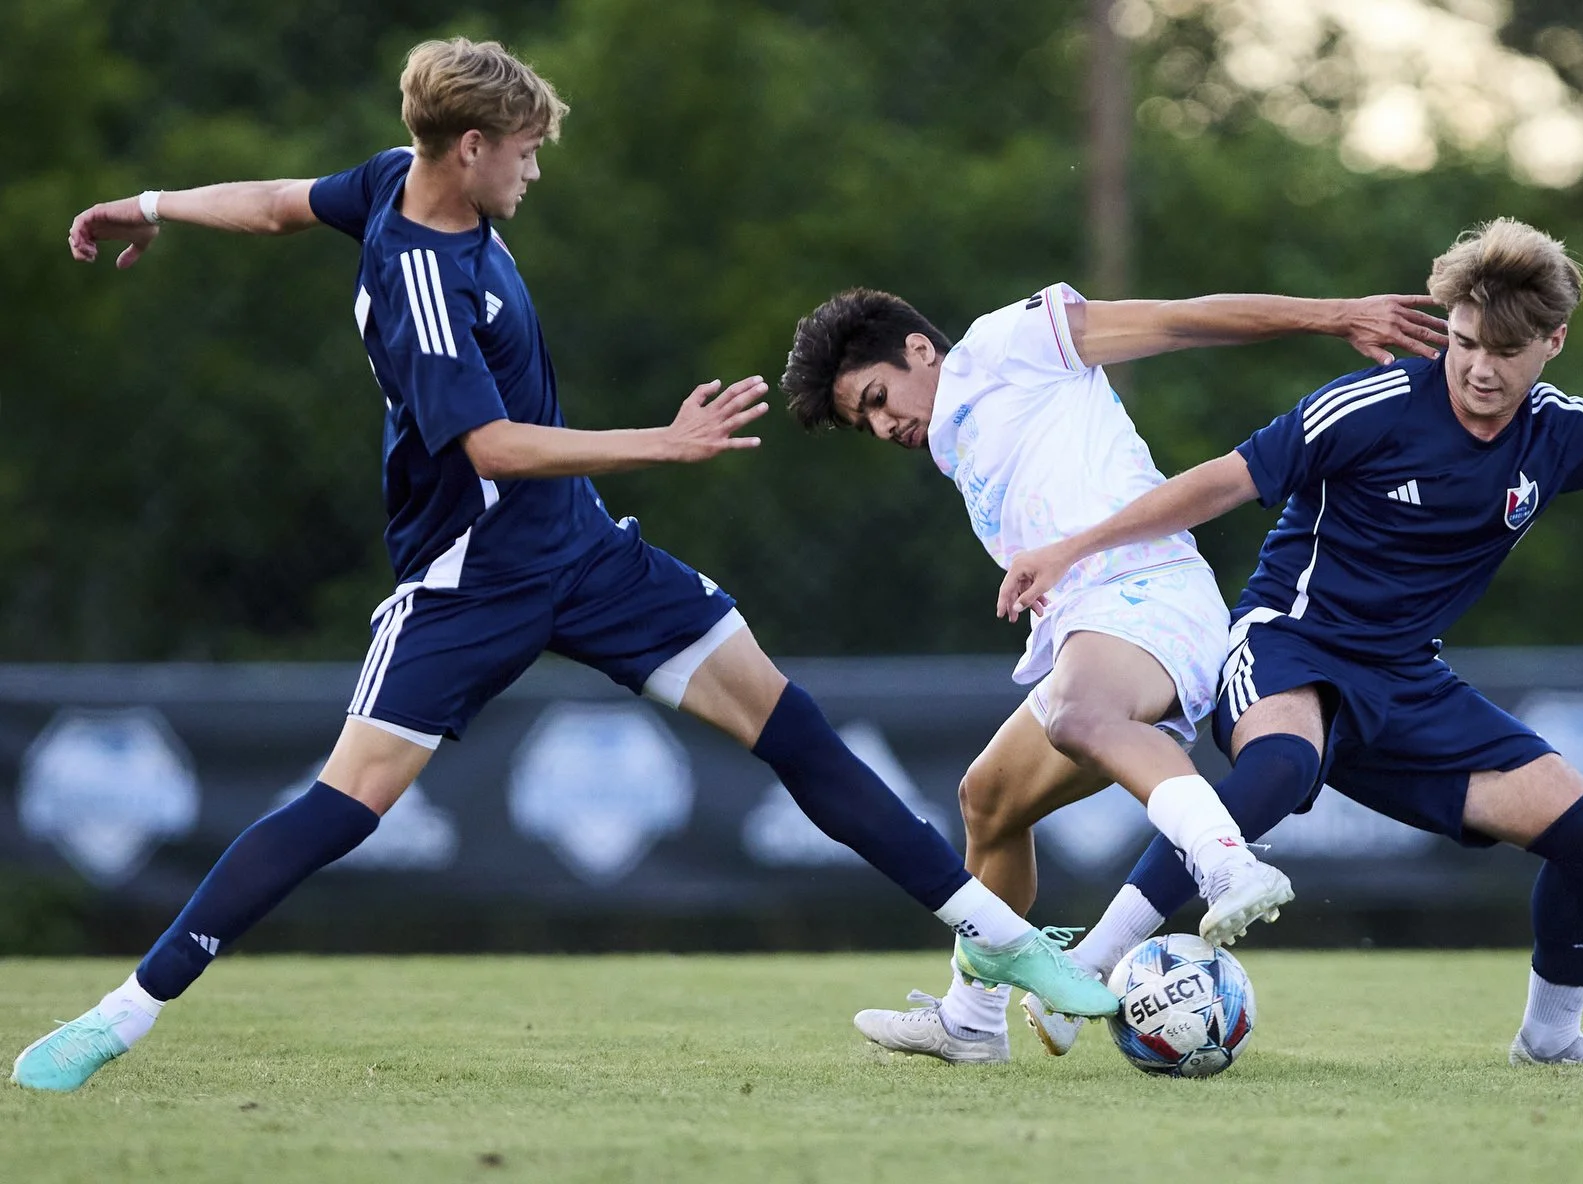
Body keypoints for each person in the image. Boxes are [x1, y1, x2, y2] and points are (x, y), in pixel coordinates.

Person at [13, 37, 1116, 1094]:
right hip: (470, 580)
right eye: (525, 148)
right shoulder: (425, 283)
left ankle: (1002, 938)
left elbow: (269, 205)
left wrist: (150, 204)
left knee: (793, 730)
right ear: (471, 149)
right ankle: (124, 1011)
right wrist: (660, 443)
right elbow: (488, 447)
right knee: (343, 806)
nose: (536, 166)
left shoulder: (394, 178)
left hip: (582, 551)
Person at [997, 217, 1583, 1066]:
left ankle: (1551, 1036)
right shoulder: (1368, 405)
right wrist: (1073, 547)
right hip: (1289, 643)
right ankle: (1081, 969)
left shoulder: (1558, 433)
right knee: (1278, 770)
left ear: (1551, 342)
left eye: (1502, 350)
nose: (1474, 365)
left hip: (1404, 681)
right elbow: (1218, 479)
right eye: (1461, 341)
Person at [782, 283, 1446, 1062]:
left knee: (1078, 714)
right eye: (864, 420)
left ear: (920, 350)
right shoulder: (951, 439)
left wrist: (1332, 316)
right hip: (1092, 623)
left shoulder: (1004, 344)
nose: (882, 423)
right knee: (989, 800)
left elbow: (1173, 321)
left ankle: (1226, 862)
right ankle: (970, 1019)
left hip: (1149, 593)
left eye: (876, 396)